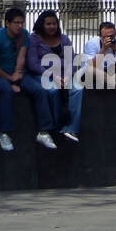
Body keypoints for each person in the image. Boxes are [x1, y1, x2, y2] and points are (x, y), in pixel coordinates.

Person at [0, 7, 60, 152]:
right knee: (6, 91)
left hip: (15, 74)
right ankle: (5, 133)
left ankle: (44, 131)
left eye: (21, 23)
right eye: (16, 23)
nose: (19, 26)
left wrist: (17, 74)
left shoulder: (24, 35)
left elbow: (21, 56)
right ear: (7, 23)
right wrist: (10, 79)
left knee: (40, 90)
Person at [27, 10, 84, 144]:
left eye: (54, 23)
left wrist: (69, 76)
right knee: (52, 90)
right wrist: (53, 76)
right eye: (48, 24)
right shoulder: (33, 39)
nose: (52, 26)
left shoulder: (64, 39)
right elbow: (33, 64)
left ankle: (71, 129)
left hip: (66, 75)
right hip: (44, 74)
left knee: (78, 90)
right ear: (42, 24)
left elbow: (71, 60)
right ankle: (56, 126)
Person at [81, 21, 116, 92]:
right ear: (99, 36)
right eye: (106, 37)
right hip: (97, 75)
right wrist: (103, 49)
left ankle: (113, 83)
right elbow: (89, 67)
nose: (109, 39)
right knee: (90, 70)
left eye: (112, 36)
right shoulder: (92, 44)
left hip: (112, 76)